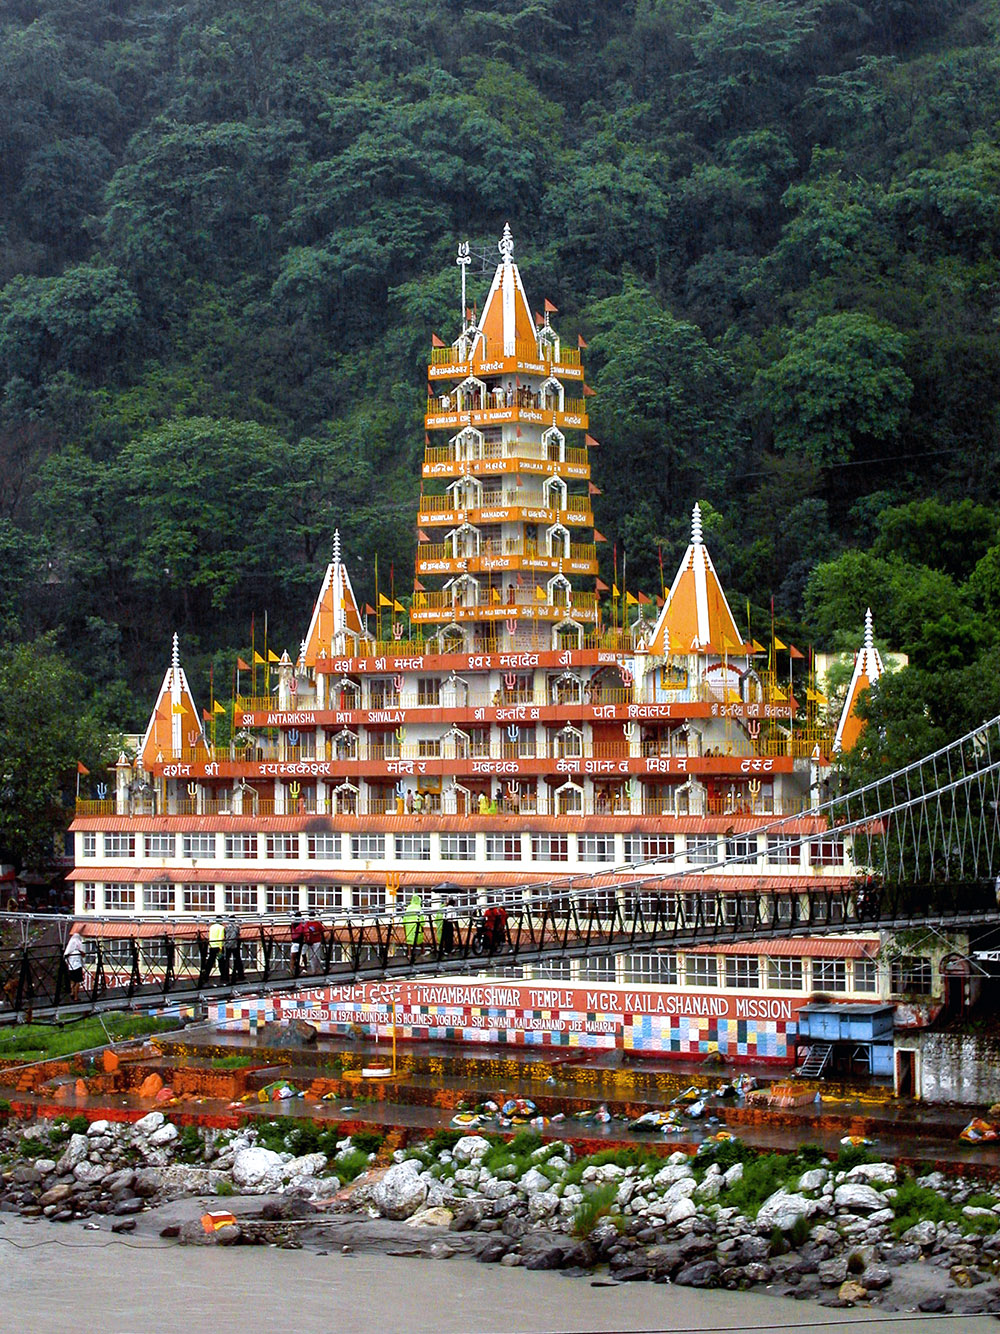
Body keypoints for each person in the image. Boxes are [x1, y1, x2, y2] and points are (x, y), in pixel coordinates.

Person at [64, 927, 86, 1003]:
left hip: (71, 967)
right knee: (78, 982)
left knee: (72, 981)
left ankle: (72, 992)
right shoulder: (78, 951)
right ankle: (76, 997)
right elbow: (83, 955)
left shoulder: (69, 952)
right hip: (77, 967)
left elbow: (66, 957)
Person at [204, 916, 225, 984]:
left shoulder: (211, 927)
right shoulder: (222, 928)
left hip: (212, 946)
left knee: (210, 961)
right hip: (218, 947)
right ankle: (223, 976)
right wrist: (221, 947)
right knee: (221, 961)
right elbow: (220, 937)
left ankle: (206, 976)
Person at [223, 915, 244, 983]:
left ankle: (226, 976)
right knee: (236, 960)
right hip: (234, 945)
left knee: (226, 960)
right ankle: (235, 975)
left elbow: (225, 935)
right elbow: (237, 934)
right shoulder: (236, 927)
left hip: (227, 945)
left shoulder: (226, 927)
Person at [289, 909, 305, 976]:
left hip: (298, 941)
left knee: (296, 956)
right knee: (296, 956)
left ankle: (294, 969)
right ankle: (292, 969)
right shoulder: (295, 924)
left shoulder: (298, 924)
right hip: (297, 941)